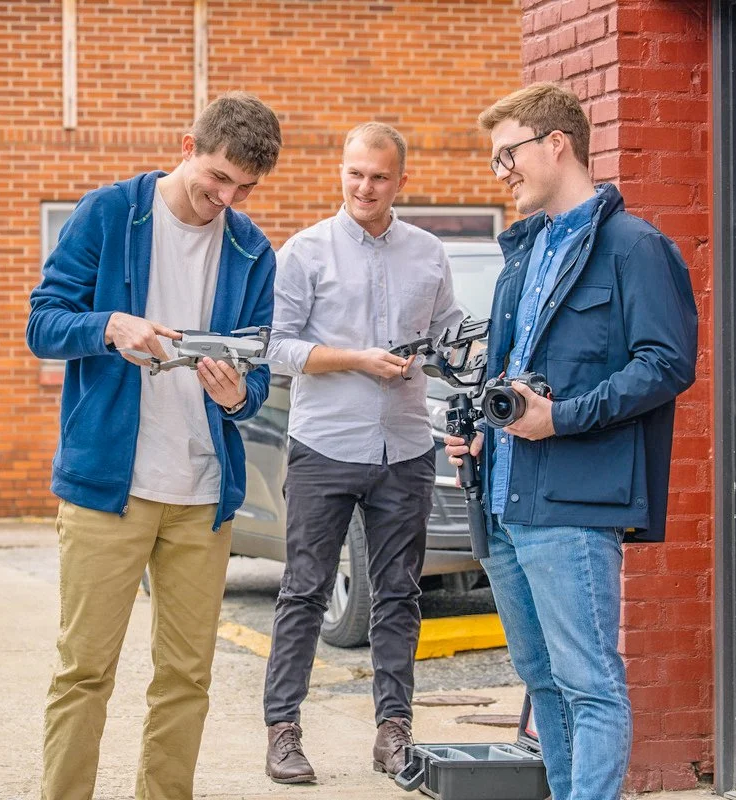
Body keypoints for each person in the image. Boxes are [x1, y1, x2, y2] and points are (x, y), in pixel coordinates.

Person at [445, 82, 698, 800]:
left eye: (509, 155)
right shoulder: (522, 258)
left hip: (575, 502)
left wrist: (562, 418)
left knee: (588, 683)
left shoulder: (635, 247)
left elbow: (666, 363)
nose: (502, 172)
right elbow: (505, 377)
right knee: (542, 684)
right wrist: (480, 436)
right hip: (502, 501)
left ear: (556, 144)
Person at [26, 91, 282, 800]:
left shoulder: (252, 248)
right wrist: (109, 326)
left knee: (186, 677)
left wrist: (237, 395)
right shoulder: (110, 213)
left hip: (203, 496)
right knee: (84, 670)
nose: (225, 199)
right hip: (111, 486)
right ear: (187, 146)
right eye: (217, 180)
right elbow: (42, 322)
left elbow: (255, 380)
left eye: (243, 189)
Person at [262, 122, 465, 784]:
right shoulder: (304, 252)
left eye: (379, 176)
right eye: (355, 173)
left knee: (400, 594)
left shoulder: (430, 253)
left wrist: (447, 357)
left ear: (400, 181)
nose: (365, 187)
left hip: (405, 448)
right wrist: (357, 359)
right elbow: (280, 346)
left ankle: (393, 731)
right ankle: (283, 731)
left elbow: (448, 338)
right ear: (339, 172)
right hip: (325, 445)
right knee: (304, 589)